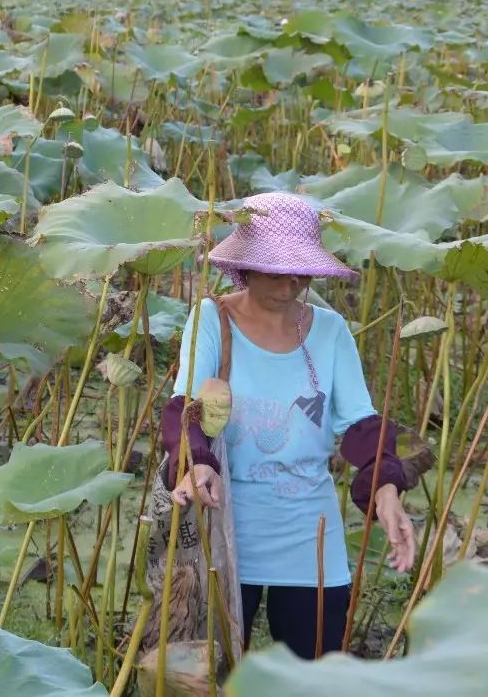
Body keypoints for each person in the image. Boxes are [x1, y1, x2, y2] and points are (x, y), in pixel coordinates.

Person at [162, 191, 415, 660]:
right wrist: (196, 464)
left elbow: (361, 424)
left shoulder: (331, 330)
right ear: (248, 265)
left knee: (313, 672)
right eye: (278, 271)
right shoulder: (212, 320)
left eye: (302, 271)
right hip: (228, 523)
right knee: (215, 671)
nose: (291, 284)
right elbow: (188, 408)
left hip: (309, 534)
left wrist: (385, 490)